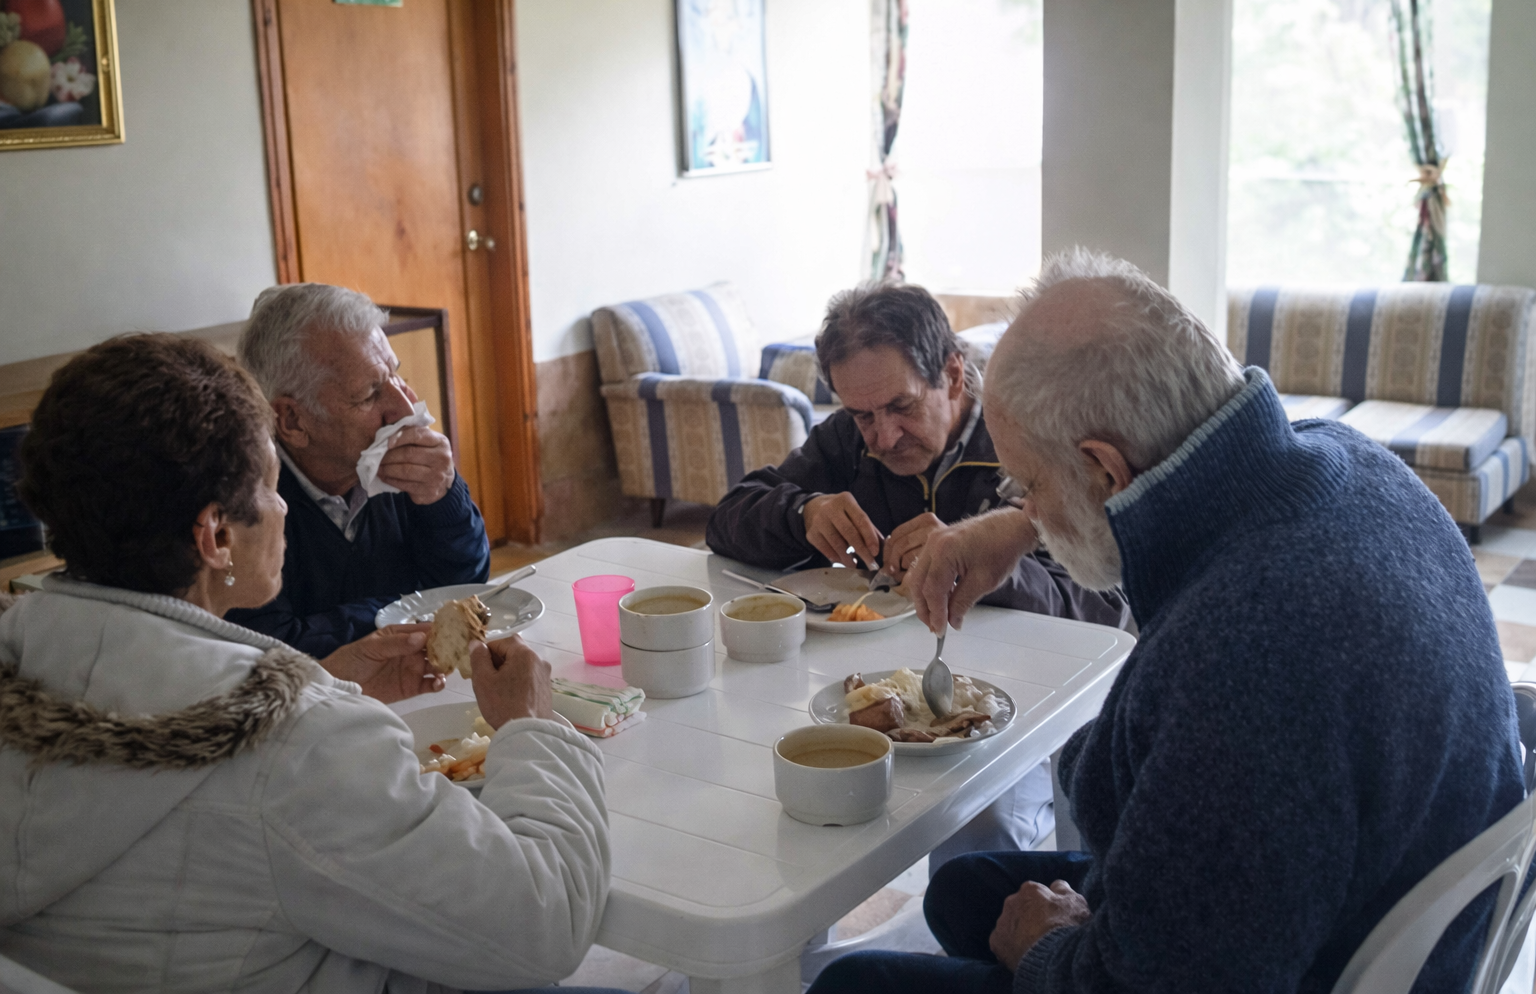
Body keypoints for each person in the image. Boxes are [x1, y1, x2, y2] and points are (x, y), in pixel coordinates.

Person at [808, 250, 1525, 994]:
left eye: (1030, 483)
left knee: (853, 984)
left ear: (1105, 472)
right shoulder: (1345, 458)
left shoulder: (1247, 651)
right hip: (1372, 875)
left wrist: (1048, 954)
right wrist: (1022, 526)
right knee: (966, 890)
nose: (1031, 505)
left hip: (1327, 960)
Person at [0, 335, 615, 994]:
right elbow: (544, 923)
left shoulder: (25, 660)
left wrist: (329, 680)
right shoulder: (296, 746)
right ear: (216, 536)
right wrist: (533, 728)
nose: (284, 506)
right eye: (269, 484)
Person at [707, 283, 1130, 867]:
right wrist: (803, 513)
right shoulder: (850, 443)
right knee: (781, 792)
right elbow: (729, 516)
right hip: (889, 680)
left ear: (954, 376)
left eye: (902, 407)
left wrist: (987, 560)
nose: (882, 438)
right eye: (861, 415)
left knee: (978, 838)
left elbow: (1103, 609)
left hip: (1025, 699)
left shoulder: (1028, 441)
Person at [226, 283, 491, 657]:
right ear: (292, 421)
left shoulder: (401, 467)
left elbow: (465, 591)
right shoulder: (246, 503)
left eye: (397, 377)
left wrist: (444, 497)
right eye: (369, 394)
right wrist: (403, 609)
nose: (403, 408)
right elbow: (273, 647)